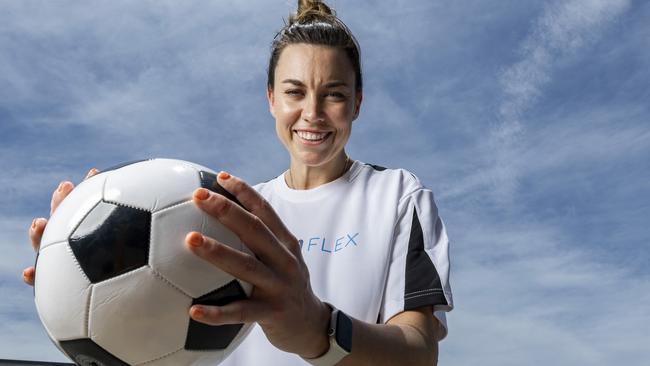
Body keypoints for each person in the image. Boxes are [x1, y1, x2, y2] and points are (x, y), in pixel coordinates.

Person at [23, 0, 453, 365]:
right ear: (271, 99)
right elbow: (164, 320)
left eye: (335, 94)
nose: (313, 113)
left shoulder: (396, 194)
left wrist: (318, 330)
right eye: (295, 92)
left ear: (357, 103)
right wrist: (77, 286)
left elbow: (418, 351)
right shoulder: (228, 209)